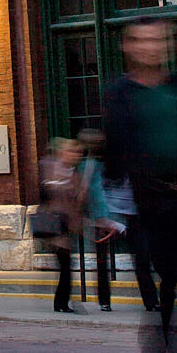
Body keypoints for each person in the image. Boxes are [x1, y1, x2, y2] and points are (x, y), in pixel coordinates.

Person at [102, 19, 177, 353]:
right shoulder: (119, 93)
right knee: (155, 278)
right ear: (129, 47)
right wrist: (110, 209)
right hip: (139, 202)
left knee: (172, 280)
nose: (151, 48)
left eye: (158, 41)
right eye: (143, 41)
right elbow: (112, 151)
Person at [37, 136, 86, 312]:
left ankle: (61, 302)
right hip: (56, 224)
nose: (76, 155)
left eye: (79, 152)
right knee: (65, 265)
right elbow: (48, 192)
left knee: (66, 265)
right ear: (63, 152)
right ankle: (61, 303)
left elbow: (77, 200)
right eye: (73, 151)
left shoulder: (73, 172)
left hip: (67, 225)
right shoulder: (51, 167)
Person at [76, 128, 118, 312]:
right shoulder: (91, 165)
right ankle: (104, 299)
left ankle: (104, 300)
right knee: (102, 261)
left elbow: (85, 192)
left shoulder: (89, 165)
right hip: (104, 216)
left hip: (101, 216)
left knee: (102, 261)